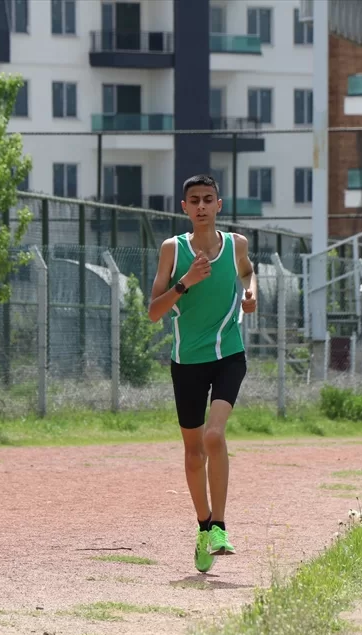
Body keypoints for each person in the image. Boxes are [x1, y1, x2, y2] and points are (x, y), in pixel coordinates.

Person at [147, 174, 257, 573]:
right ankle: (203, 527)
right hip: (187, 361)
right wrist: (185, 282)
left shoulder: (236, 244)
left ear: (219, 204)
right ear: (184, 208)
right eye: (193, 200)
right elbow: (154, 311)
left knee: (214, 435)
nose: (201, 207)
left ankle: (222, 527)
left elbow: (247, 270)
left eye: (208, 199)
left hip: (229, 353)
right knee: (193, 454)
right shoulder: (171, 250)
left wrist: (251, 291)